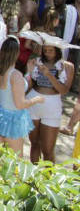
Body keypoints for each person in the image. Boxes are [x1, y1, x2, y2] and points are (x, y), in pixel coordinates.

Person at [0, 37, 45, 166]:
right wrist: (36, 99)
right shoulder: (15, 75)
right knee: (16, 160)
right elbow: (20, 104)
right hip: (13, 120)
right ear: (17, 54)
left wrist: (28, 73)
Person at [26, 34, 74, 163]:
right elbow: (29, 86)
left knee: (48, 149)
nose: (47, 53)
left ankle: (48, 181)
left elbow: (63, 90)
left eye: (51, 51)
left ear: (58, 51)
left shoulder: (67, 66)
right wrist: (30, 72)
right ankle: (33, 179)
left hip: (52, 107)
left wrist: (49, 75)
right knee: (34, 143)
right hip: (34, 104)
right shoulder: (36, 62)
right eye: (45, 50)